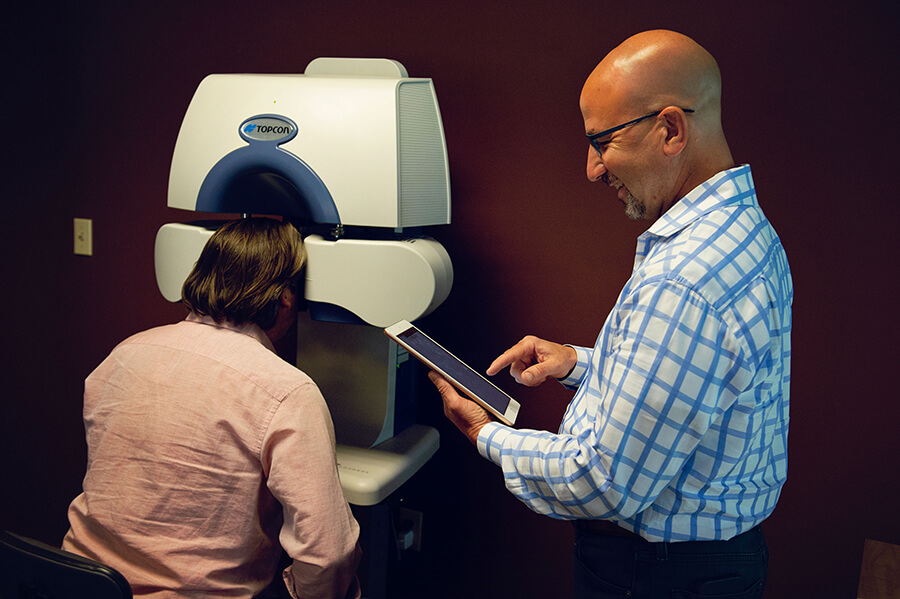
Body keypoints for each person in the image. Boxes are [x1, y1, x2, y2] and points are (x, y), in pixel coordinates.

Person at [430, 30, 791, 598]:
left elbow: (601, 481)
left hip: (656, 575)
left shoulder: (687, 278)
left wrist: (484, 434)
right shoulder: (743, 231)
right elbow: (700, 382)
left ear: (670, 129)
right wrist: (577, 362)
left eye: (603, 141)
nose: (594, 169)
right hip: (710, 563)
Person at [62, 217, 361, 599]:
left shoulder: (123, 354)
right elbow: (328, 554)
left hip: (78, 584)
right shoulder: (287, 392)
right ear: (286, 298)